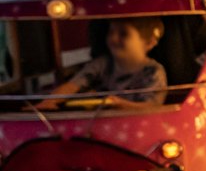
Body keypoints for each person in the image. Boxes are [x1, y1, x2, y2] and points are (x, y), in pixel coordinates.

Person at [38, 17, 167, 109]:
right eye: (111, 32)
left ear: (149, 43)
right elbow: (73, 85)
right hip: (97, 123)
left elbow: (152, 107)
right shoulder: (102, 64)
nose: (113, 38)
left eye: (123, 34)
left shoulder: (154, 71)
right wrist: (50, 102)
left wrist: (120, 105)